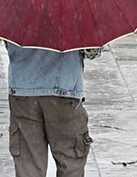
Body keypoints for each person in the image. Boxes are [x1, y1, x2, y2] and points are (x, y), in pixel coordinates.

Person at [7, 43, 97, 177]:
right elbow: (92, 49)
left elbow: (7, 41)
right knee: (70, 163)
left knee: (28, 166)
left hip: (23, 90)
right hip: (65, 92)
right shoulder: (74, 20)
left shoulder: (11, 20)